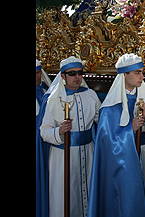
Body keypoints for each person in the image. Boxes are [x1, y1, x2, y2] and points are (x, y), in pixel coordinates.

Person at [87, 53, 145, 217]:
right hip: (122, 165)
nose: (142, 76)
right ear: (124, 75)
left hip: (144, 154)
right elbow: (107, 143)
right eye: (137, 73)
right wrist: (130, 130)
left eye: (142, 72)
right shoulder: (109, 107)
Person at [36, 56, 101, 217]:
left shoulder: (91, 95)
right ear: (63, 76)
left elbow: (102, 121)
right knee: (64, 197)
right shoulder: (53, 99)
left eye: (79, 73)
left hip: (88, 153)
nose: (77, 77)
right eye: (72, 74)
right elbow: (44, 131)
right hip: (62, 157)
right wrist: (58, 131)